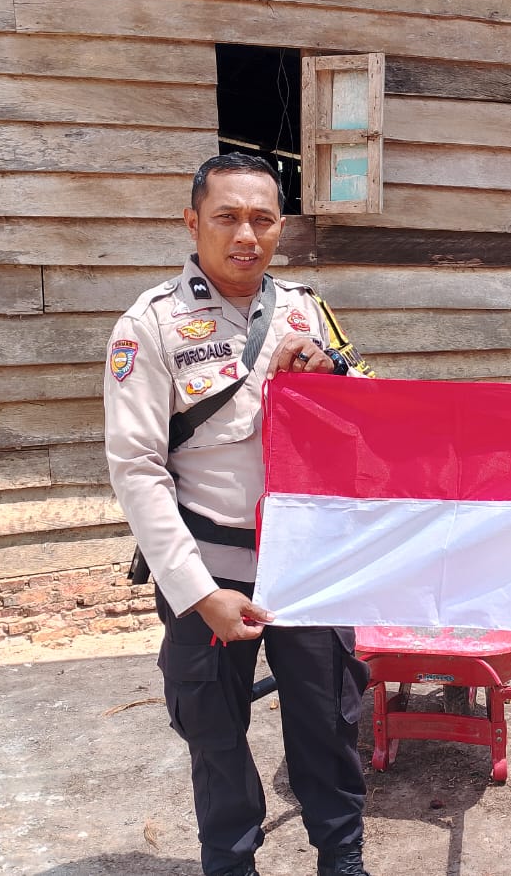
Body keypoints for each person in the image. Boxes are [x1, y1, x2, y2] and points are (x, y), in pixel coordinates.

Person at [104, 152, 375, 876]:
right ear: (193, 222)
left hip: (307, 566)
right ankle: (230, 864)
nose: (246, 234)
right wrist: (198, 593)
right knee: (215, 734)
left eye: (262, 218)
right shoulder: (151, 324)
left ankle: (342, 860)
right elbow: (137, 469)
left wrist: (333, 372)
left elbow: (369, 410)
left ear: (280, 225)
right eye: (227, 217)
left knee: (329, 723)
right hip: (210, 569)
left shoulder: (307, 308)